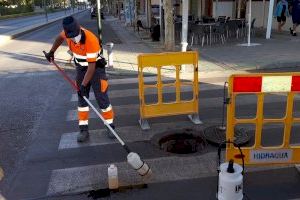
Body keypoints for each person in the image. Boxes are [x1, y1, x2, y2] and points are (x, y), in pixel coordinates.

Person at [44, 16, 115, 142]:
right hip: (81, 69)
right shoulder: (67, 34)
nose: (73, 39)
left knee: (102, 98)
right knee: (82, 101)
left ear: (79, 30)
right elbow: (59, 38)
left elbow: (91, 68)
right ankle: (83, 130)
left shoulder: (91, 39)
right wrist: (52, 52)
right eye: (70, 37)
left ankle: (110, 126)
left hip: (96, 70)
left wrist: (83, 85)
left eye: (75, 36)